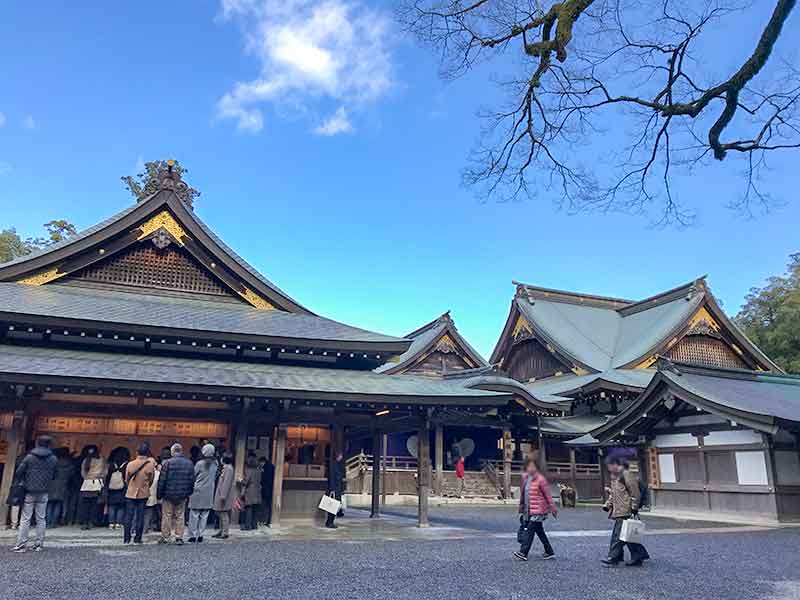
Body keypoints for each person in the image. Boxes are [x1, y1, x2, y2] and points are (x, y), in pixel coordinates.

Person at [10, 435, 58, 553]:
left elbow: (19, 472)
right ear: (49, 444)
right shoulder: (53, 459)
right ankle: (38, 544)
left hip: (29, 491)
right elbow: (55, 475)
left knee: (25, 518)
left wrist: (26, 479)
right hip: (44, 491)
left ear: (37, 443)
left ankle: (21, 544)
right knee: (41, 518)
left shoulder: (30, 457)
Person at [601, 456, 650, 567]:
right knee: (627, 535)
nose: (608, 468)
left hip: (625, 510)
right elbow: (615, 494)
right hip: (619, 510)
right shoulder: (615, 477)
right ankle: (639, 555)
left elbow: (635, 493)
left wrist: (634, 507)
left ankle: (614, 557)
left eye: (609, 466)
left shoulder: (626, 475)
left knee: (618, 535)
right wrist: (608, 505)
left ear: (615, 464)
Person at [514, 457, 557, 561]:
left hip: (539, 510)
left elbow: (548, 495)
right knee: (539, 531)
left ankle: (523, 552)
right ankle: (549, 551)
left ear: (537, 467)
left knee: (530, 530)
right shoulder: (525, 478)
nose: (531, 468)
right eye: (529, 466)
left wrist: (553, 508)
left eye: (533, 466)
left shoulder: (540, 480)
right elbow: (523, 495)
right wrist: (521, 508)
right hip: (529, 510)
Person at [157, 443, 195, 545]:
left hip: (168, 494)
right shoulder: (189, 463)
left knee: (167, 515)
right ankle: (179, 537)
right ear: (181, 451)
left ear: (172, 452)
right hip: (182, 495)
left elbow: (162, 480)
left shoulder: (167, 463)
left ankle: (165, 536)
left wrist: (159, 494)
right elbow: (192, 481)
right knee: (180, 516)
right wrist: (188, 493)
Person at [123, 443, 156, 545]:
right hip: (143, 492)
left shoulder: (130, 464)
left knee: (129, 516)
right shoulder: (150, 465)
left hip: (131, 492)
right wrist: (146, 486)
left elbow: (126, 478)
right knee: (140, 516)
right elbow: (151, 479)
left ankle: (127, 539)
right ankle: (138, 538)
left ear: (137, 452)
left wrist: (131, 486)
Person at [187, 443, 218, 543]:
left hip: (197, 491)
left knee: (194, 514)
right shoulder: (216, 463)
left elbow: (193, 476)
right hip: (209, 491)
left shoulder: (199, 463)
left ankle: (193, 534)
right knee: (204, 515)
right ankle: (201, 534)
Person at [78, 445, 106, 530]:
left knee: (85, 505)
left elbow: (82, 473)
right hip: (96, 484)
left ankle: (84, 522)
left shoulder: (86, 461)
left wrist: (88, 477)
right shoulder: (101, 461)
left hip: (86, 484)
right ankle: (91, 522)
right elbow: (104, 473)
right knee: (94, 505)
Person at [46, 447, 75, 528]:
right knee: (58, 504)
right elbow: (72, 476)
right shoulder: (70, 464)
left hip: (51, 485)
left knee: (49, 504)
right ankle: (53, 523)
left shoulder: (52, 462)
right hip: (63, 485)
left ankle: (47, 523)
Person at [105, 447, 130, 529]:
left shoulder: (112, 464)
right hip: (122, 488)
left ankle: (111, 523)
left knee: (112, 506)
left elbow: (107, 476)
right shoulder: (127, 465)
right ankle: (119, 523)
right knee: (121, 506)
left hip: (111, 488)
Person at [240, 453, 261, 531]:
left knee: (249, 509)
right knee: (255, 510)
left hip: (250, 492)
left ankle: (247, 526)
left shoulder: (249, 470)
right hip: (257, 491)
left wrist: (240, 480)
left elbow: (246, 481)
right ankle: (254, 525)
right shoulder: (258, 470)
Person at [325, 452, 345, 529]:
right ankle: (329, 522)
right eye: (340, 456)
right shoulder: (333, 465)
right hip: (334, 489)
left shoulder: (337, 465)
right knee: (332, 506)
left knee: (335, 506)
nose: (341, 457)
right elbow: (332, 477)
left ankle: (330, 522)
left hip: (337, 489)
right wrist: (332, 489)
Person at [260, 456, 275, 527]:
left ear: (263, 462)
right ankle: (267, 520)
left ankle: (265, 520)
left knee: (266, 505)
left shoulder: (265, 468)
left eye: (260, 463)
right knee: (268, 505)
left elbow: (264, 479)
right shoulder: (271, 467)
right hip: (270, 489)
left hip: (266, 489)